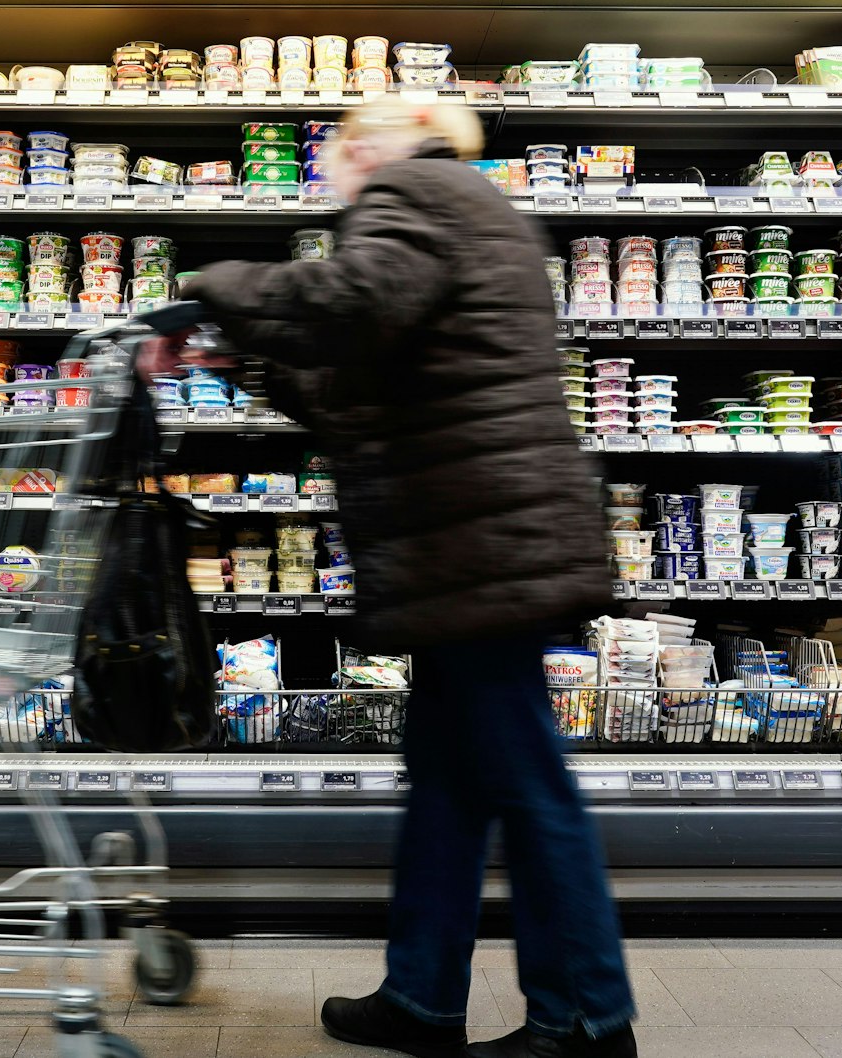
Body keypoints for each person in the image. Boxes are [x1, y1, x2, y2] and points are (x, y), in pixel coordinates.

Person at [154, 99, 638, 1058]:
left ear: (371, 144)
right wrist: (243, 350)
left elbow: (354, 301)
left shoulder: (417, 188)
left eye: (335, 151)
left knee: (528, 784)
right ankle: (421, 997)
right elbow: (357, 389)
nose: (330, 171)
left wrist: (212, 285)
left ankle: (587, 1018)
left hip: (482, 547)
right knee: (451, 783)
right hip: (473, 546)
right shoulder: (460, 205)